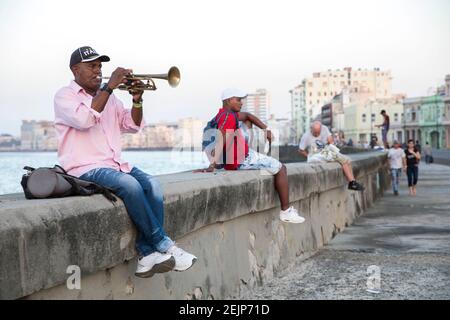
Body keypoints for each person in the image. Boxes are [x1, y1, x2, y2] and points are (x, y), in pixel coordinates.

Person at [54, 46, 197, 278]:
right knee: (130, 186)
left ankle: (147, 254)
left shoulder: (108, 98)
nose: (98, 71)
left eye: (100, 66)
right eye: (92, 66)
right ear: (75, 69)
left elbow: (131, 124)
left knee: (153, 185)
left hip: (114, 164)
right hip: (84, 168)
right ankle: (165, 245)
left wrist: (137, 100)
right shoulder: (65, 96)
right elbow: (84, 119)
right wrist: (109, 87)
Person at [196, 88, 305, 224]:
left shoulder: (223, 114)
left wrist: (266, 130)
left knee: (247, 122)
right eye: (238, 100)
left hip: (237, 157)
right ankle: (286, 211)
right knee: (281, 168)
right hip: (242, 160)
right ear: (229, 100)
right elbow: (222, 139)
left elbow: (247, 116)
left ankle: (246, 161)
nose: (241, 103)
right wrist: (212, 164)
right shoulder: (229, 117)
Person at [298, 121, 365, 191]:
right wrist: (309, 156)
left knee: (347, 159)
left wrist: (330, 141)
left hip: (326, 152)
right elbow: (300, 150)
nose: (317, 134)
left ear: (321, 128)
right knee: (343, 160)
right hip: (317, 155)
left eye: (318, 132)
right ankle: (352, 183)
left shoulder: (324, 129)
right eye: (315, 133)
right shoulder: (306, 136)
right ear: (311, 129)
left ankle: (353, 181)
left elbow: (331, 141)